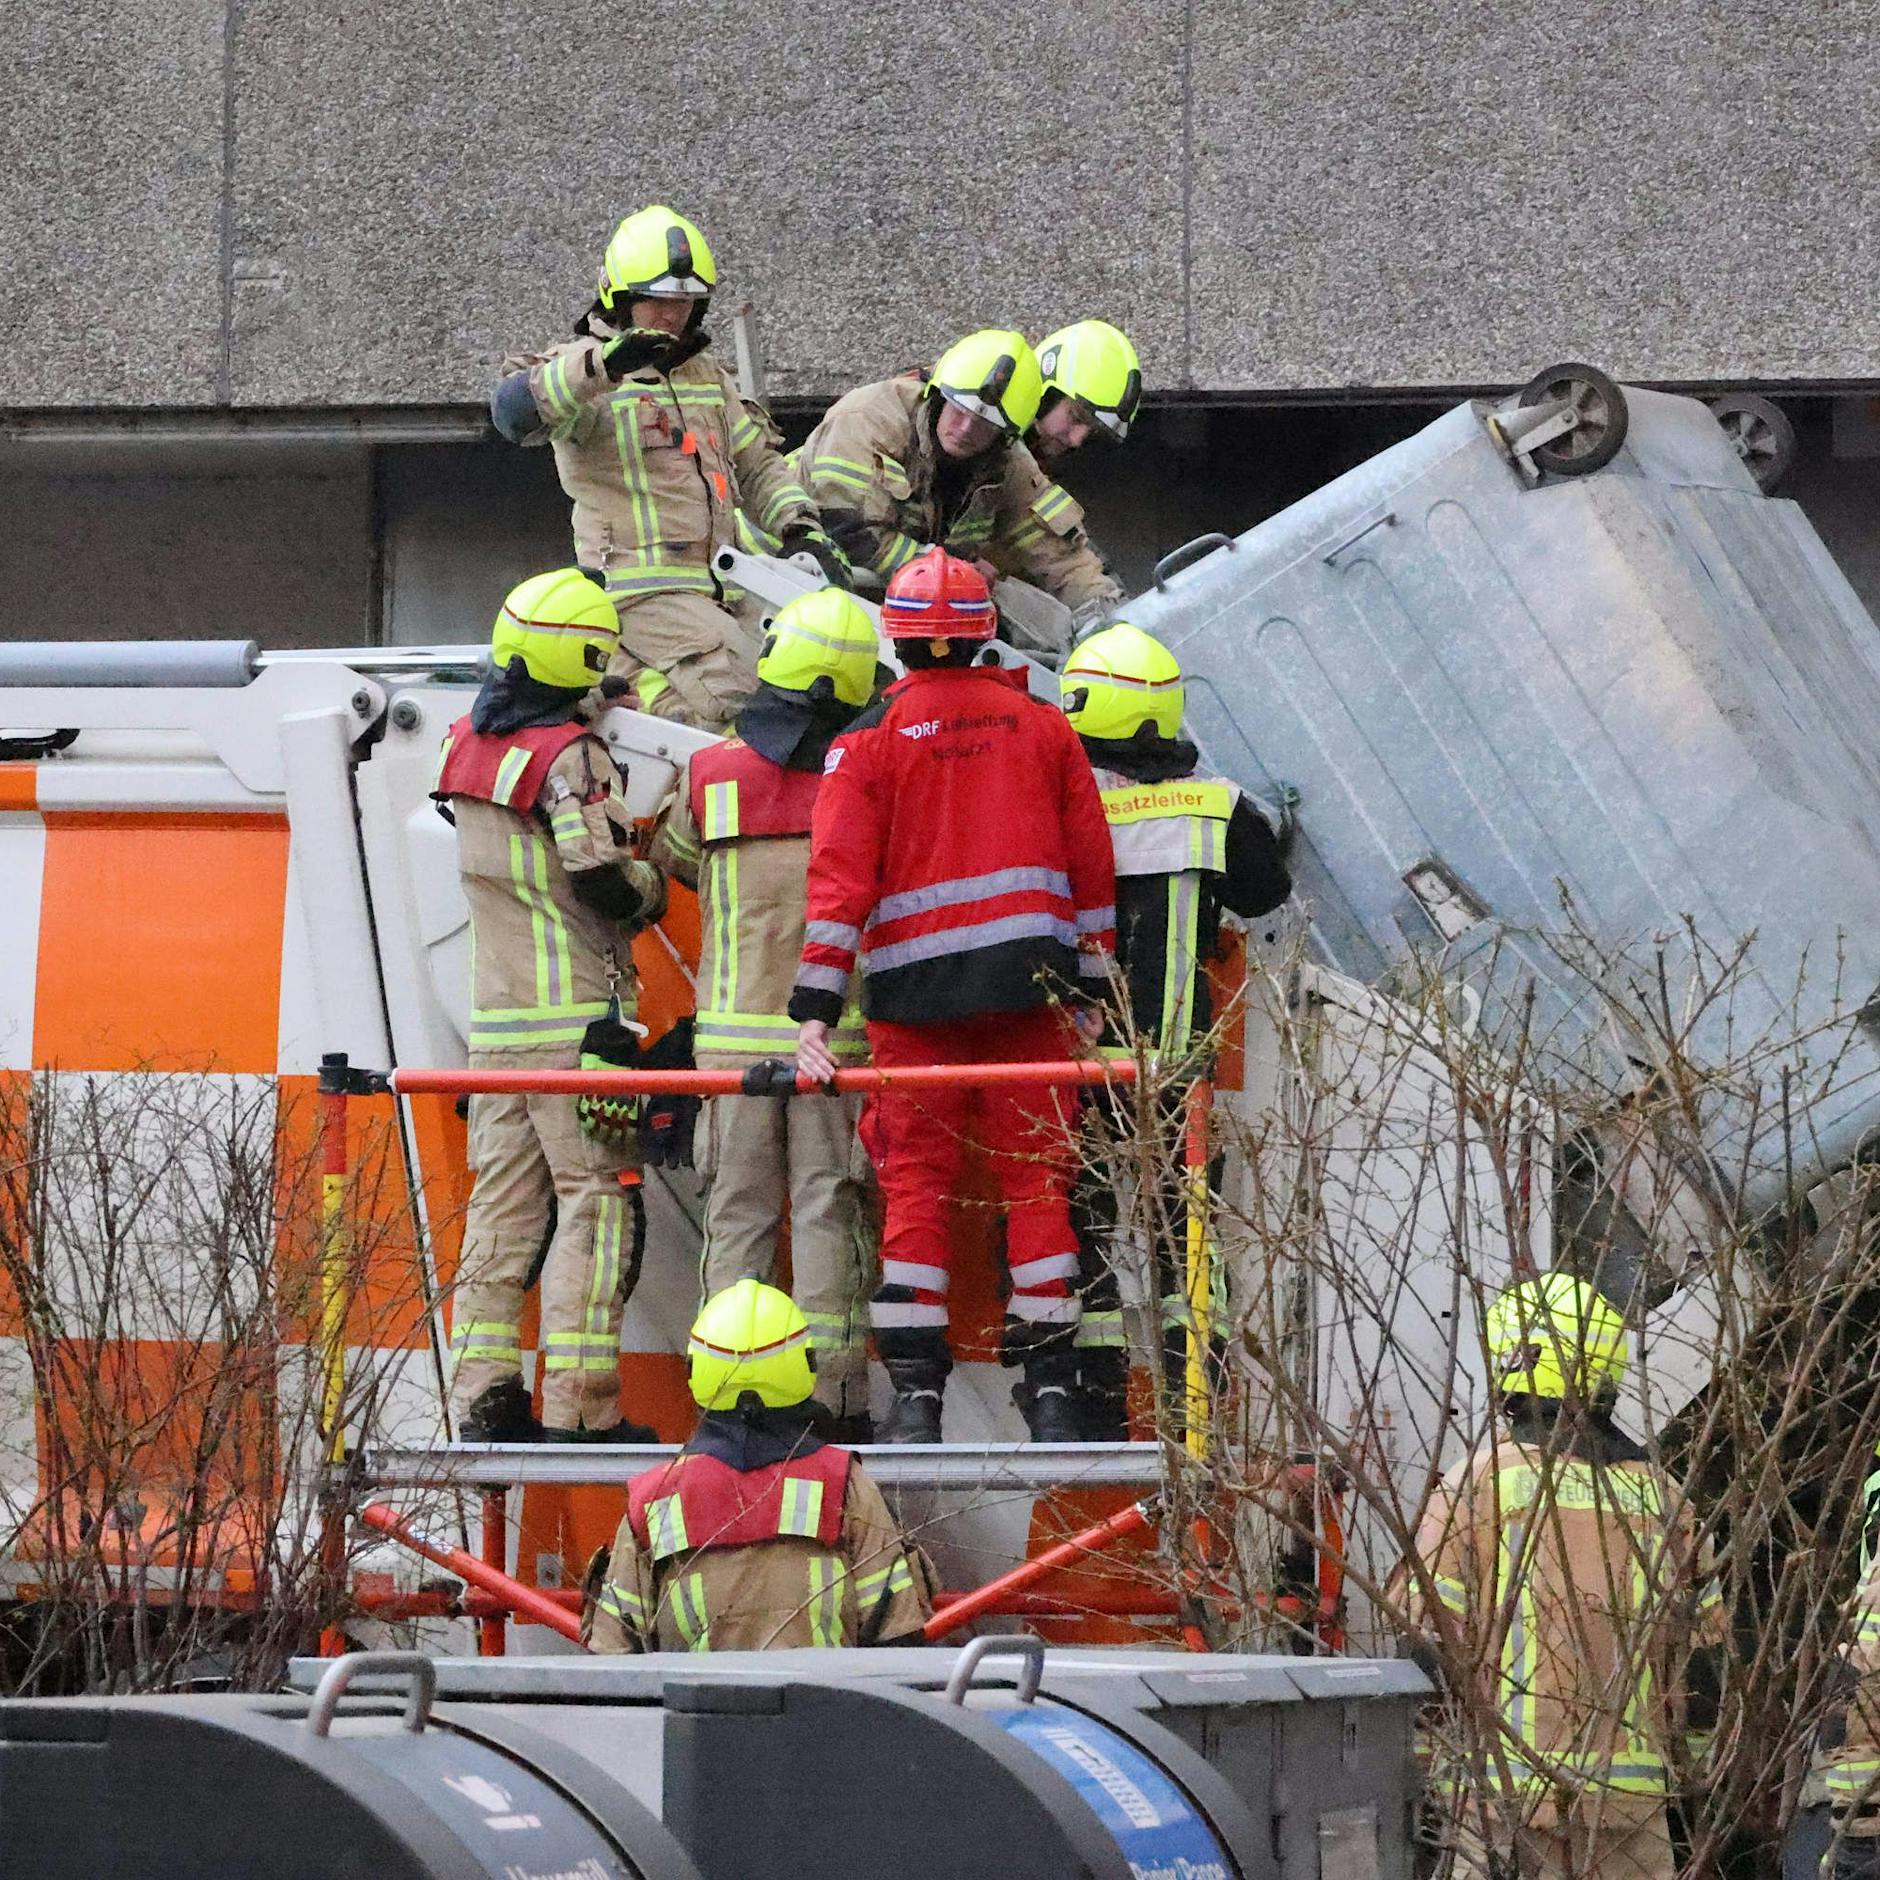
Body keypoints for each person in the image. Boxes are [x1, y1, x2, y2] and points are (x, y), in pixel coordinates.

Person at [789, 548, 1117, 1444]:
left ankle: (917, 1404)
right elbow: (1091, 868)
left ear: (893, 641)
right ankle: (1053, 1396)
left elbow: (839, 883)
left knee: (916, 1190)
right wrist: (1093, 990)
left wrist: (815, 1010)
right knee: (1039, 1185)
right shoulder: (1045, 728)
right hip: (1033, 995)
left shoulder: (864, 744)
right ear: (985, 635)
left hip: (913, 1004)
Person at [433, 569, 669, 1442]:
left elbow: (523, 739)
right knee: (597, 1205)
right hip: (579, 1029)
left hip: (498, 1033)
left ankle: (484, 1398)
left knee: (501, 1213)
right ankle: (582, 1409)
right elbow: (599, 873)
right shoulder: (573, 758)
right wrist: (653, 886)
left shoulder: (463, 745)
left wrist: (588, 705)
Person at [649, 588, 883, 1438]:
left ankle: (726, 1401)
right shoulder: (870, 776)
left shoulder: (709, 775)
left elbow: (674, 860)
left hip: (729, 1052)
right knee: (831, 1213)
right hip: (837, 1046)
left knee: (736, 1219)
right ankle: (835, 1404)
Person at [1404, 1272, 1726, 1880]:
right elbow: (1706, 1667)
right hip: (1630, 1814)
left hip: (1501, 1807)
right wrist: (1686, 1776)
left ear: (1511, 1362)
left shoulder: (1478, 1485)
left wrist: (1424, 1775)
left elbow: (1427, 1649)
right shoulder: (1665, 1501)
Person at [1059, 623, 1291, 1439]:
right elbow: (1265, 893)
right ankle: (1199, 1400)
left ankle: (1091, 1399)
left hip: (1078, 1067)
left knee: (1081, 1224)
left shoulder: (1057, 800)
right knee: (1184, 1236)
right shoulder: (1215, 806)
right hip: (1176, 1073)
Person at [490, 204, 848, 730]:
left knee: (819, 675)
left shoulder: (708, 376)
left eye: (684, 302)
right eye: (656, 300)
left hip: (724, 589)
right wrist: (605, 365)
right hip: (638, 595)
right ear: (620, 298)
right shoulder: (584, 371)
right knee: (747, 700)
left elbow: (756, 464)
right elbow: (513, 413)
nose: (671, 315)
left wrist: (801, 528)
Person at [584, 1279, 933, 1651]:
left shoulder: (656, 1499)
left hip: (695, 1693)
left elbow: (614, 1653)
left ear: (697, 1370)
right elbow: (898, 1634)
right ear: (805, 1365)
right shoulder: (842, 1484)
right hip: (823, 1691)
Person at [791, 329, 1121, 622]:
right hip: (782, 576)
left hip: (889, 607)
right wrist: (952, 570)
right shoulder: (867, 419)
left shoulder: (1009, 462)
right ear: (939, 394)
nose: (964, 430)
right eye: (960, 410)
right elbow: (848, 534)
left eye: (984, 425)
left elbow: (1062, 557)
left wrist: (1113, 618)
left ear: (1006, 435)